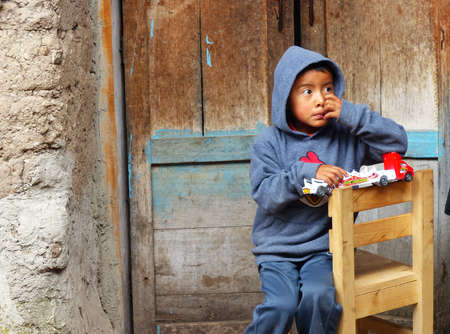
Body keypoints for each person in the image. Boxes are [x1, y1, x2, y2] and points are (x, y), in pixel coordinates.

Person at [245, 46, 408, 334]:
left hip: (323, 249)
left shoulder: (346, 136)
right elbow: (266, 194)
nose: (321, 99)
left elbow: (397, 143)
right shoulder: (269, 141)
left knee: (319, 298)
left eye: (328, 89)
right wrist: (306, 173)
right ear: (285, 98)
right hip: (277, 251)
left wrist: (352, 116)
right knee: (281, 305)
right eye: (307, 91)